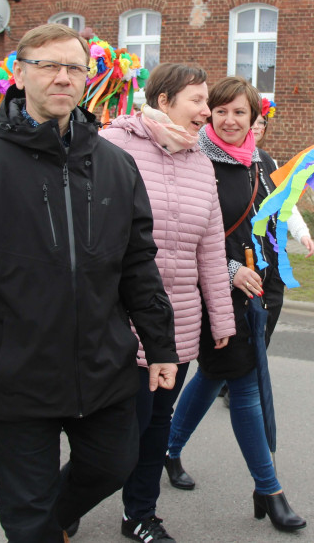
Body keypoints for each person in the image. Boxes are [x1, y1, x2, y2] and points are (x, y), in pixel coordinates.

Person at [0, 23, 179, 543]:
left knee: (114, 464)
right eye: (49, 66)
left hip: (102, 363)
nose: (63, 77)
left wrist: (160, 345)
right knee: (26, 515)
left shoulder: (115, 165)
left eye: (74, 68)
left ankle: (52, 521)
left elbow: (138, 264)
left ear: (88, 78)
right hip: (17, 368)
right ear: (20, 74)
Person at [99, 62, 237, 542]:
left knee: (157, 424)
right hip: (120, 320)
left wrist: (220, 316)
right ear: (163, 101)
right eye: (197, 101)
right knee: (118, 431)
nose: (207, 111)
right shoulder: (115, 146)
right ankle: (68, 498)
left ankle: (140, 513)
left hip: (177, 323)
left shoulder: (201, 163)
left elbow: (211, 249)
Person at [167, 76, 307, 533]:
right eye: (221, 110)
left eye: (239, 112)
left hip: (262, 295)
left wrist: (280, 264)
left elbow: (273, 225)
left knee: (214, 374)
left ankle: (168, 449)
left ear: (253, 118)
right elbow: (184, 235)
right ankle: (269, 490)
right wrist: (229, 270)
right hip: (216, 294)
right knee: (245, 386)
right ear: (209, 113)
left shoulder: (263, 164)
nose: (229, 120)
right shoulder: (193, 162)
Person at [251, 102, 314, 258]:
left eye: (261, 122)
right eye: (252, 121)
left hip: (269, 245)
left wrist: (301, 233)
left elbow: (284, 202)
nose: (256, 127)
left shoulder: (269, 163)